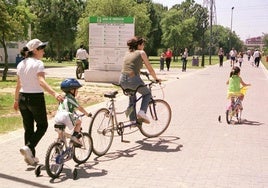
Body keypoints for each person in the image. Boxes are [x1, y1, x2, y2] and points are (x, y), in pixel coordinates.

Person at [13, 38, 64, 166]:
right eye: (42, 49)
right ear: (35, 50)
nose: (44, 52)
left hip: (23, 98)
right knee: (43, 126)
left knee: (28, 128)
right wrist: (55, 93)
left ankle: (31, 157)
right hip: (35, 98)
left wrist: (16, 100)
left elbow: (18, 84)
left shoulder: (21, 64)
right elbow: (41, 81)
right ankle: (29, 148)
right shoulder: (38, 64)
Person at [119, 36, 161, 124]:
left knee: (132, 98)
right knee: (147, 94)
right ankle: (142, 112)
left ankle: (132, 120)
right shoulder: (141, 53)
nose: (144, 46)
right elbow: (150, 69)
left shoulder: (127, 53)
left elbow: (130, 67)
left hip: (122, 80)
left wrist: (140, 72)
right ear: (139, 45)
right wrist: (156, 78)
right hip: (133, 81)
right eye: (143, 44)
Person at [54, 78, 91, 146]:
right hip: (65, 116)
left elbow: (66, 108)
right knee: (79, 122)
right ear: (72, 90)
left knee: (61, 133)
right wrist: (87, 114)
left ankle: (57, 148)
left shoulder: (63, 98)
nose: (77, 91)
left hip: (57, 116)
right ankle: (74, 137)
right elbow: (80, 108)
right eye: (76, 90)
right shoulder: (70, 98)